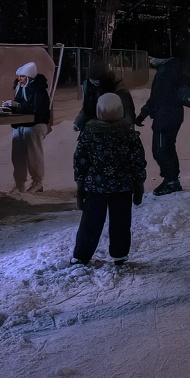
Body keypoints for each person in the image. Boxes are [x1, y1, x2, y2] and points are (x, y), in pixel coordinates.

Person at [71, 92, 147, 266]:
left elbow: (80, 161)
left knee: (90, 222)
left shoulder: (89, 133)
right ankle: (120, 254)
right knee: (121, 222)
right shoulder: (129, 135)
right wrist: (139, 184)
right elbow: (138, 162)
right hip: (123, 187)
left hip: (95, 187)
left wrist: (80, 185)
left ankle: (82, 255)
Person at [134, 57, 188, 195]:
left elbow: (155, 98)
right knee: (168, 147)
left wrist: (142, 115)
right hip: (175, 115)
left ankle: (171, 181)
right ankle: (172, 179)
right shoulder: (175, 69)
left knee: (160, 150)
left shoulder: (164, 72)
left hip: (164, 118)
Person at [10, 61, 52, 193]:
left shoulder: (38, 90)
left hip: (34, 125)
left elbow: (39, 108)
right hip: (21, 124)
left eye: (22, 77)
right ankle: (19, 183)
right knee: (17, 154)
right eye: (19, 76)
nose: (19, 79)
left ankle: (37, 182)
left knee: (34, 153)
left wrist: (18, 106)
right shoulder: (20, 88)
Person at [73, 56, 135, 130]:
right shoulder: (88, 85)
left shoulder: (117, 85)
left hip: (115, 126)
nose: (94, 83)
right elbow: (87, 106)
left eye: (97, 81)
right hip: (93, 126)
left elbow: (127, 106)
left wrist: (128, 125)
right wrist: (78, 122)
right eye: (92, 80)